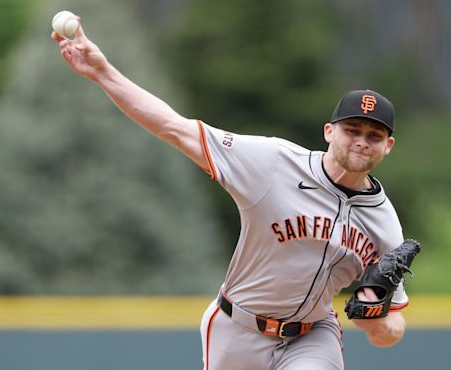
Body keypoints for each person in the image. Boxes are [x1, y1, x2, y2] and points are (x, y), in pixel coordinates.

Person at [52, 19, 410, 370]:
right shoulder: (272, 164)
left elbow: (387, 333)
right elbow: (173, 128)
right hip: (236, 329)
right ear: (330, 132)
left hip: (312, 335)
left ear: (388, 146)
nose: (362, 141)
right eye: (353, 130)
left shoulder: (384, 224)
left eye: (374, 135)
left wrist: (372, 313)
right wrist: (103, 72)